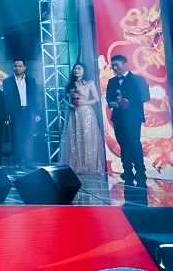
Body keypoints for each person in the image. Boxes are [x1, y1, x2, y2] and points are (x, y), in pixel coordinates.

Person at [106, 55, 150, 186]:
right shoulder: (112, 81)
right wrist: (112, 103)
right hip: (118, 117)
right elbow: (109, 98)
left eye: (117, 65)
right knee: (123, 144)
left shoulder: (138, 79)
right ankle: (127, 170)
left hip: (133, 117)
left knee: (134, 143)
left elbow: (145, 96)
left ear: (125, 64)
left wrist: (128, 101)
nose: (114, 68)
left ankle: (140, 171)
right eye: (112, 66)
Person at [60, 63, 105, 176]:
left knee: (87, 137)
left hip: (86, 113)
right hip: (73, 113)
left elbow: (96, 99)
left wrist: (85, 102)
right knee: (74, 138)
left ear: (84, 70)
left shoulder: (89, 83)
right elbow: (64, 99)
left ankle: (88, 165)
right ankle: (76, 164)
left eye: (79, 68)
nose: (76, 70)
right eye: (75, 68)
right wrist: (69, 105)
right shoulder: (70, 84)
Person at [2, 59, 43, 170]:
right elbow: (5, 100)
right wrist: (6, 115)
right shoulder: (7, 81)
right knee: (16, 138)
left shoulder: (31, 80)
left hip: (29, 112)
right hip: (15, 113)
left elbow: (35, 97)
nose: (18, 68)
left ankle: (28, 162)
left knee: (28, 137)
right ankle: (17, 162)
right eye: (16, 66)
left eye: (20, 66)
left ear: (25, 67)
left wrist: (38, 113)